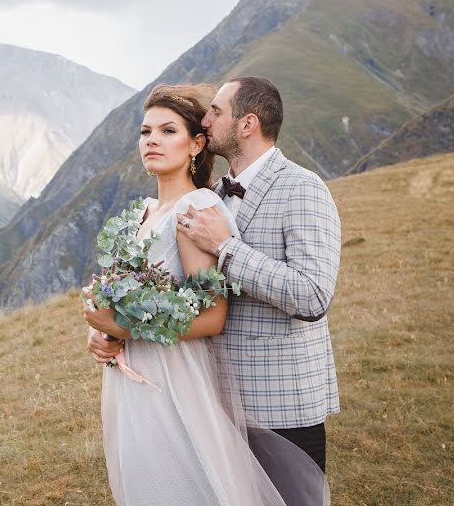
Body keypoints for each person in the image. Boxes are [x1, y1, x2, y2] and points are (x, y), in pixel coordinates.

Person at [83, 83, 328, 506]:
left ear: (197, 145)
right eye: (145, 132)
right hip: (136, 379)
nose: (152, 141)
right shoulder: (146, 210)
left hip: (181, 381)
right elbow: (149, 298)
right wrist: (108, 332)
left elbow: (213, 315)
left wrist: (125, 325)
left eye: (167, 131)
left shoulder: (197, 209)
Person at [177, 76, 341, 473]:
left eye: (216, 112)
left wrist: (227, 248)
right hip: (219, 406)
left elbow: (313, 296)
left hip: (283, 409)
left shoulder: (303, 188)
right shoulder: (212, 195)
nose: (205, 121)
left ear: (247, 124)